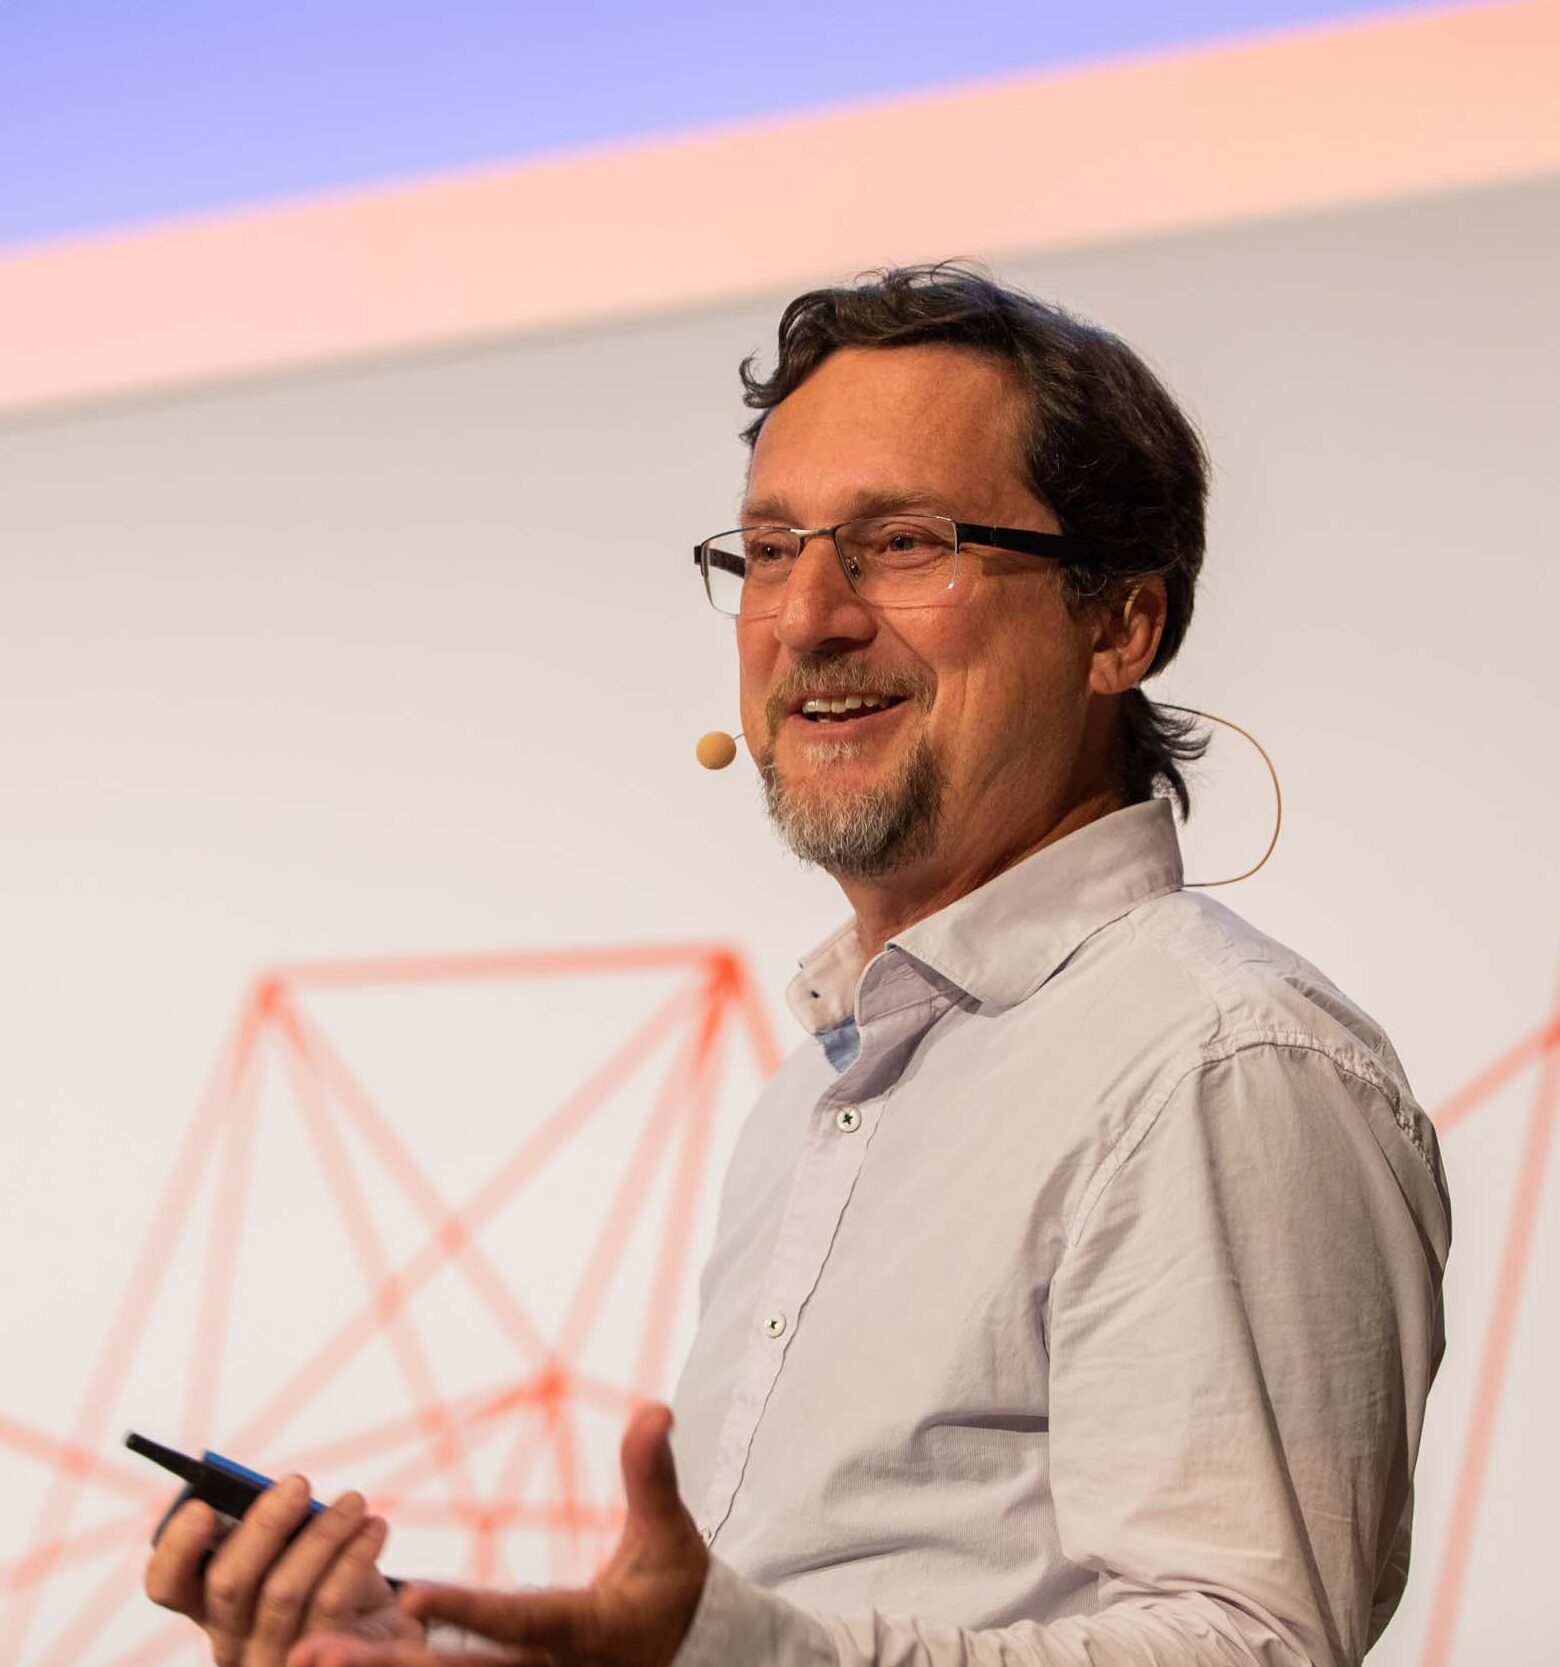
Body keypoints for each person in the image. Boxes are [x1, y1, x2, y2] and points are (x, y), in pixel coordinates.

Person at [143, 265, 1450, 1667]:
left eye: (904, 541)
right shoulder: (823, 1089)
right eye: (769, 551)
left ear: (1119, 623)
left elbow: (1242, 1651)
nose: (808, 616)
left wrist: (733, 1649)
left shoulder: (1219, 1061)